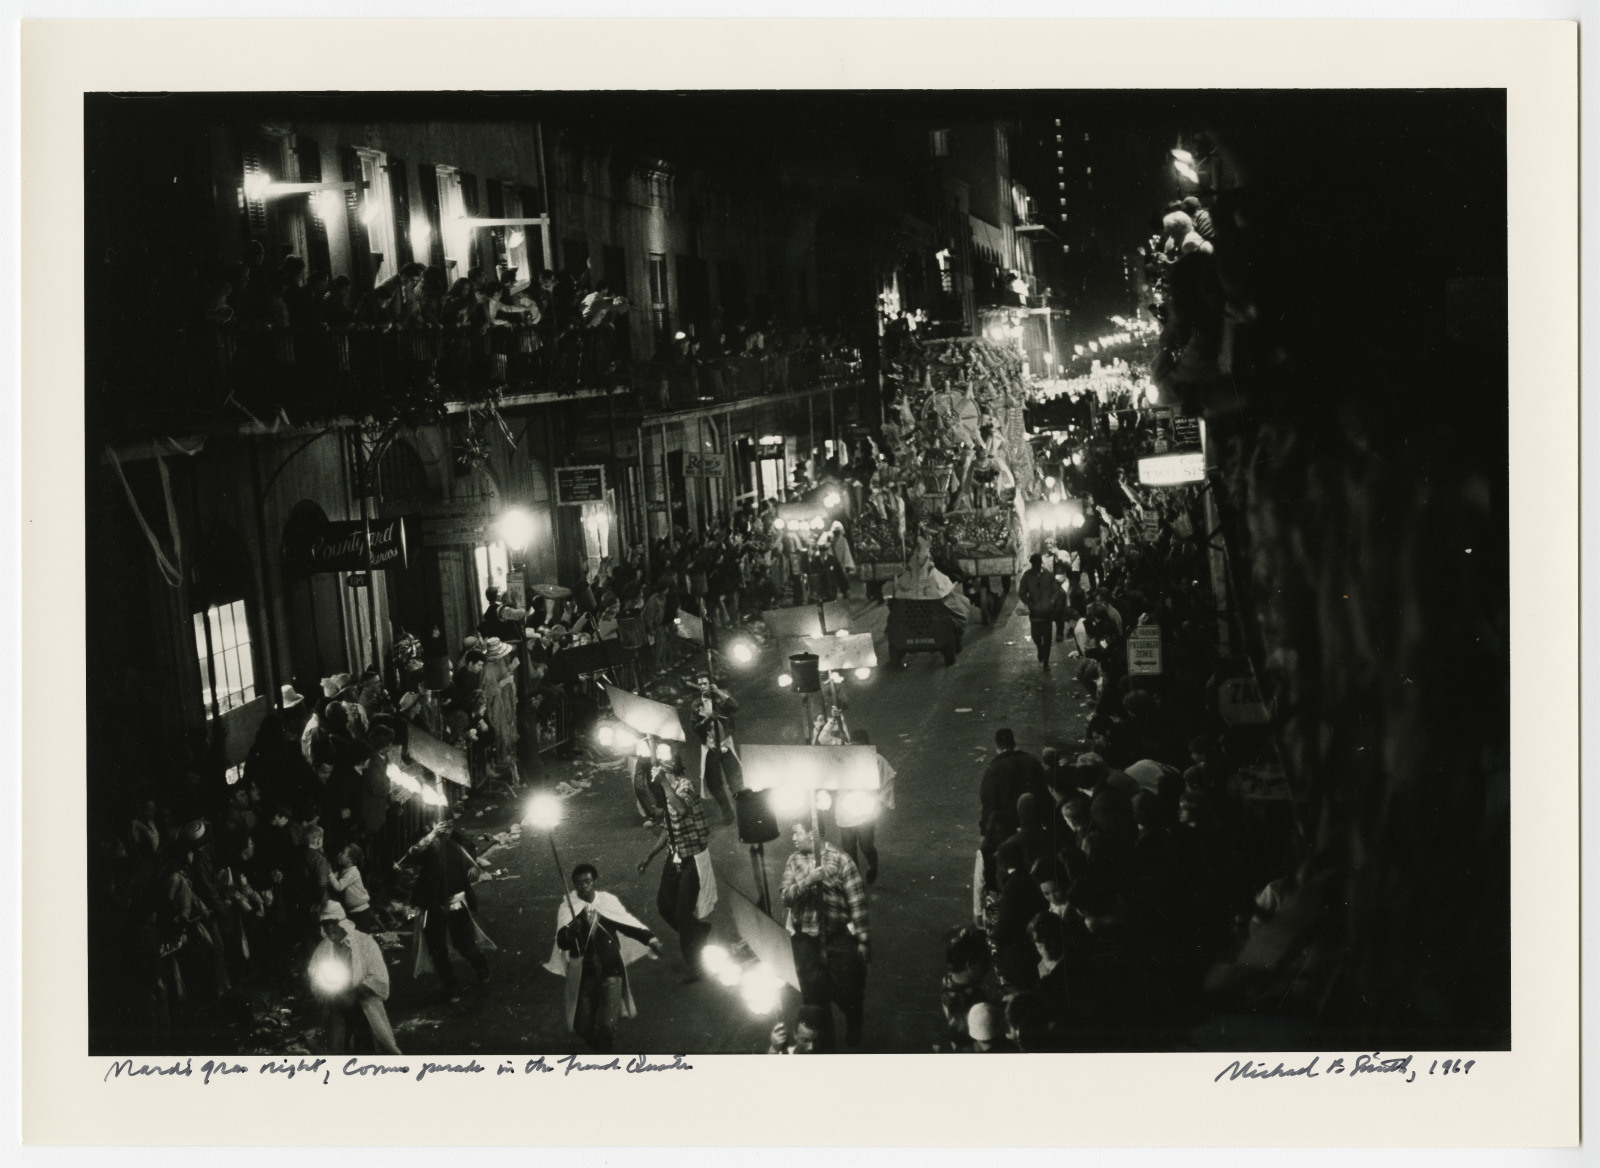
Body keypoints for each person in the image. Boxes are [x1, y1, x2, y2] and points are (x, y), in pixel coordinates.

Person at [543, 863, 663, 1052]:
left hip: (610, 970)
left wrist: (651, 939)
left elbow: (627, 924)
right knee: (582, 1026)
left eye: (587, 881)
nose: (583, 886)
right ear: (574, 885)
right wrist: (570, 933)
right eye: (579, 883)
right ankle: (601, 1051)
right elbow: (562, 942)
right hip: (584, 975)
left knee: (607, 1026)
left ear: (594, 881)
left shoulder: (607, 902)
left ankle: (606, 1058)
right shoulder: (568, 908)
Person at [780, 820, 870, 1051]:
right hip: (805, 941)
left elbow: (857, 901)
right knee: (813, 999)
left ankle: (854, 1024)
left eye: (796, 832)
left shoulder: (841, 860)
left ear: (813, 834)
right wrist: (807, 881)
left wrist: (862, 940)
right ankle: (824, 1047)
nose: (793, 838)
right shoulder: (793, 861)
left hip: (837, 936)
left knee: (850, 992)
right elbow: (786, 897)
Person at [637, 761, 717, 980]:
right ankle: (696, 931)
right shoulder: (667, 791)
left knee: (682, 912)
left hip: (693, 857)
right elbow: (668, 829)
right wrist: (649, 856)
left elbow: (681, 808)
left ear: (672, 772)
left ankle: (696, 965)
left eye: (662, 771)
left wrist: (664, 783)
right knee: (664, 905)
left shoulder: (686, 786)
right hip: (676, 856)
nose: (656, 774)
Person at [400, 815, 494, 1001]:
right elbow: (411, 854)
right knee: (437, 949)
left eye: (449, 826)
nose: (445, 830)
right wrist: (432, 835)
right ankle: (451, 986)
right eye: (441, 826)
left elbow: (472, 862)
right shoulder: (427, 844)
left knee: (465, 944)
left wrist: (473, 869)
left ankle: (481, 968)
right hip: (432, 905)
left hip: (455, 902)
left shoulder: (459, 843)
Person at [309, 901, 401, 1055]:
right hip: (336, 1004)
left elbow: (379, 976)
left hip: (364, 1002)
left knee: (369, 1047)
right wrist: (331, 992)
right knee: (337, 1049)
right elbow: (315, 973)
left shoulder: (365, 942)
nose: (330, 928)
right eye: (325, 924)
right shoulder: (324, 948)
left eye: (333, 923)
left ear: (342, 922)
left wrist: (355, 992)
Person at [837, 729, 895, 884]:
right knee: (849, 849)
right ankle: (855, 880)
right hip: (845, 811)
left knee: (866, 845)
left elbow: (888, 778)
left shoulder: (877, 760)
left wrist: (881, 801)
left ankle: (873, 866)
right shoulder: (844, 758)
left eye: (859, 745)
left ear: (866, 745)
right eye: (853, 745)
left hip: (865, 811)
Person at [689, 671, 741, 826]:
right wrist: (706, 721)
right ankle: (727, 811)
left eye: (705, 683)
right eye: (700, 684)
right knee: (714, 782)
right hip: (710, 746)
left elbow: (735, 707)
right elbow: (695, 728)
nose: (703, 686)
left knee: (734, 776)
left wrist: (718, 691)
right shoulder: (697, 705)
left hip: (725, 742)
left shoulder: (720, 696)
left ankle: (742, 805)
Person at [1018, 553, 1066, 672]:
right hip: (1035, 613)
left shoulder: (1048, 575)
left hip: (1047, 613)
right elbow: (1022, 592)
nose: (1036, 566)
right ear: (1032, 564)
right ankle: (1040, 648)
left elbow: (1057, 590)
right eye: (1034, 564)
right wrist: (1029, 603)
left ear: (1041, 563)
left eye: (1038, 563)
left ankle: (1046, 662)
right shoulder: (1027, 576)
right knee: (1035, 636)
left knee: (1048, 638)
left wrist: (1052, 601)